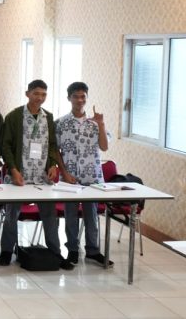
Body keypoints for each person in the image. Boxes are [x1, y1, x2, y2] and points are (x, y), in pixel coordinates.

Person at [0, 80, 73, 269]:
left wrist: (53, 164)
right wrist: (13, 170)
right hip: (19, 176)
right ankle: (6, 252)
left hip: (41, 177)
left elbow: (52, 145)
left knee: (50, 216)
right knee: (11, 216)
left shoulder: (48, 117)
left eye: (43, 94)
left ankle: (56, 253)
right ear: (27, 93)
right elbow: (5, 145)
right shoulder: (14, 116)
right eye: (36, 93)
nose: (40, 98)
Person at [56, 82, 112, 266]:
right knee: (70, 215)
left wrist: (101, 124)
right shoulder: (61, 123)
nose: (80, 100)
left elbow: (104, 146)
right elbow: (55, 150)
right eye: (76, 96)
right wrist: (64, 172)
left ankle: (92, 250)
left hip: (92, 177)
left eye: (83, 97)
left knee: (91, 214)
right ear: (69, 98)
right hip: (70, 177)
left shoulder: (95, 123)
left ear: (87, 98)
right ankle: (72, 249)